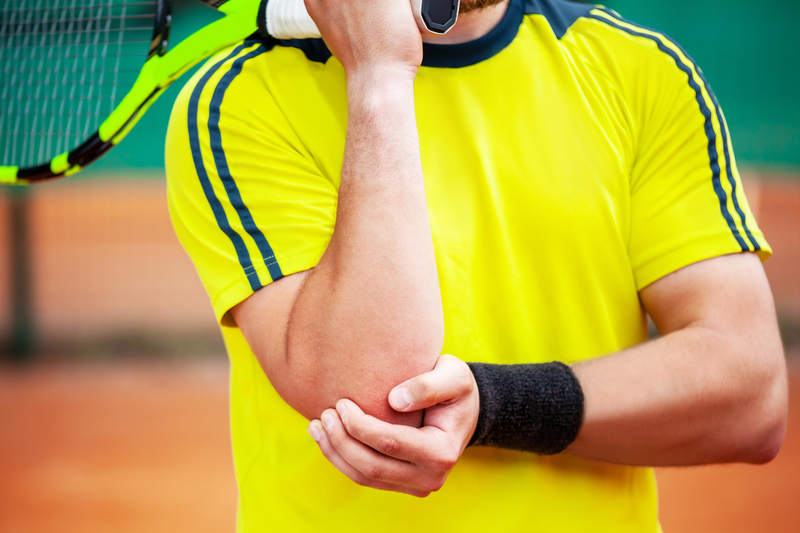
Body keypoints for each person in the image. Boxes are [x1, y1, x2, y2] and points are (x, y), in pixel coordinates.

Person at [165, 0, 788, 530]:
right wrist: (379, 76)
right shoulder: (239, 99)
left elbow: (751, 392)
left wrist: (499, 405)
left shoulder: (639, 69)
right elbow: (376, 401)